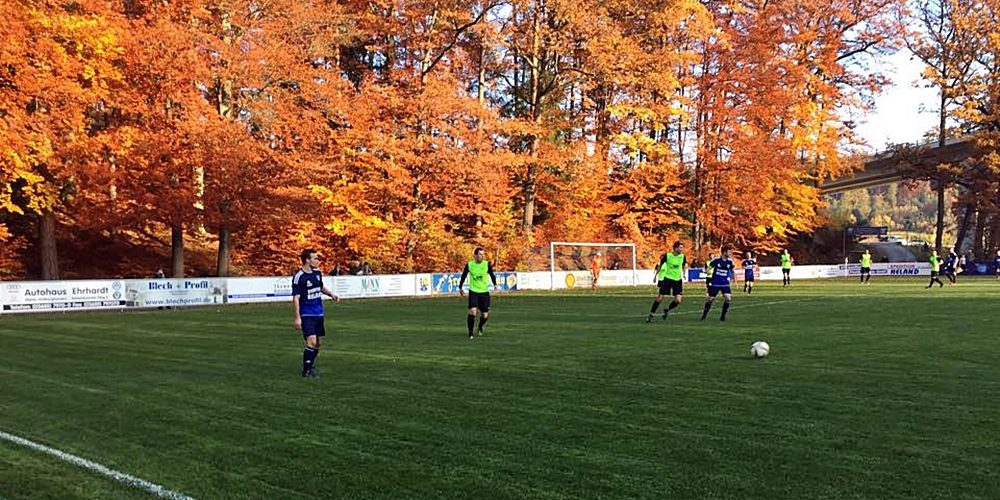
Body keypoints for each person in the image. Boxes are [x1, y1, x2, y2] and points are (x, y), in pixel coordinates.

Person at [293, 249, 340, 378]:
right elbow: (296, 297)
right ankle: (306, 371)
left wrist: (331, 294)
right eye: (315, 258)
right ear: (307, 260)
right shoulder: (299, 276)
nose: (317, 261)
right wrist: (297, 318)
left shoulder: (317, 273)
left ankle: (310, 365)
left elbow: (320, 287)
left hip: (318, 313)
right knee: (312, 341)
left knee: (318, 343)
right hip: (306, 313)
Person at [459, 247, 498, 339]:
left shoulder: (486, 264)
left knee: (485, 315)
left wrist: (495, 284)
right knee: (472, 311)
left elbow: (492, 274)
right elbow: (463, 276)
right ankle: (470, 333)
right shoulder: (469, 265)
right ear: (475, 255)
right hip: (473, 291)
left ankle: (480, 326)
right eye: (480, 254)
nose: (482, 256)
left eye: (483, 254)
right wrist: (460, 287)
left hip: (484, 292)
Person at [647, 241, 686, 323]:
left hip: (678, 280)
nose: (681, 249)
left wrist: (684, 273)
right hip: (668, 279)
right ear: (675, 248)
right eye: (680, 248)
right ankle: (651, 314)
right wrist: (655, 276)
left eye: (682, 248)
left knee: (678, 300)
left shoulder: (682, 256)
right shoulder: (667, 256)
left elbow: (683, 265)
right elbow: (660, 266)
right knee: (660, 298)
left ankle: (667, 309)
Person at [701, 246, 735, 321]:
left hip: (725, 283)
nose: (730, 253)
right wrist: (707, 270)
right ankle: (704, 315)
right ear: (724, 252)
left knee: (728, 298)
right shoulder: (716, 260)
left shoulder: (730, 261)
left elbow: (732, 270)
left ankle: (723, 316)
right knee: (710, 299)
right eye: (729, 252)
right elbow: (709, 267)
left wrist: (734, 278)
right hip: (715, 282)